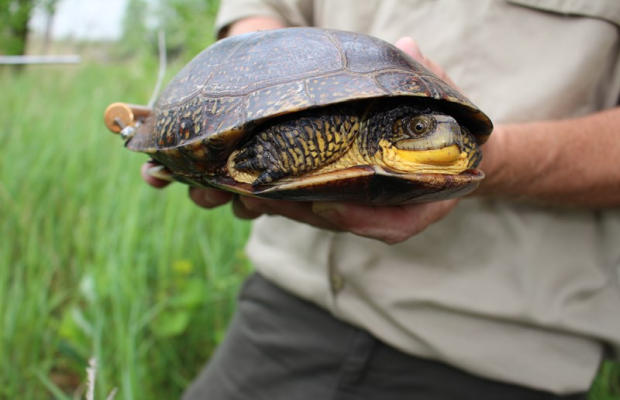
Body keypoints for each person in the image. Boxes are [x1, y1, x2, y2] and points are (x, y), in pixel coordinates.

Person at [143, 1, 620, 399]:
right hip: (287, 297)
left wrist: (494, 161)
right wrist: (261, 98)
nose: (441, 136)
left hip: (490, 348)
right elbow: (260, 13)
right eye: (418, 129)